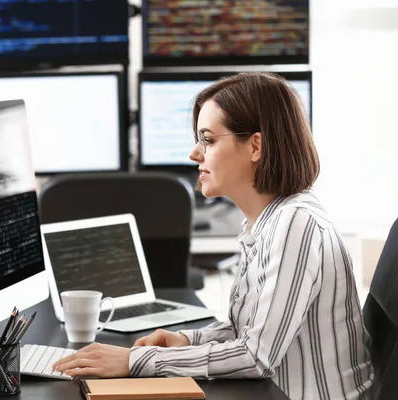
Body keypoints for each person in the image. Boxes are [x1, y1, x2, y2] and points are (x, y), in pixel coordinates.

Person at [52, 72, 373, 400]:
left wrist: (135, 360)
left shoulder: (296, 224)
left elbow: (255, 357)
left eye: (208, 140)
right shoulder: (266, 222)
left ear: (255, 146)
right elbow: (249, 331)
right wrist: (188, 340)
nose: (194, 154)